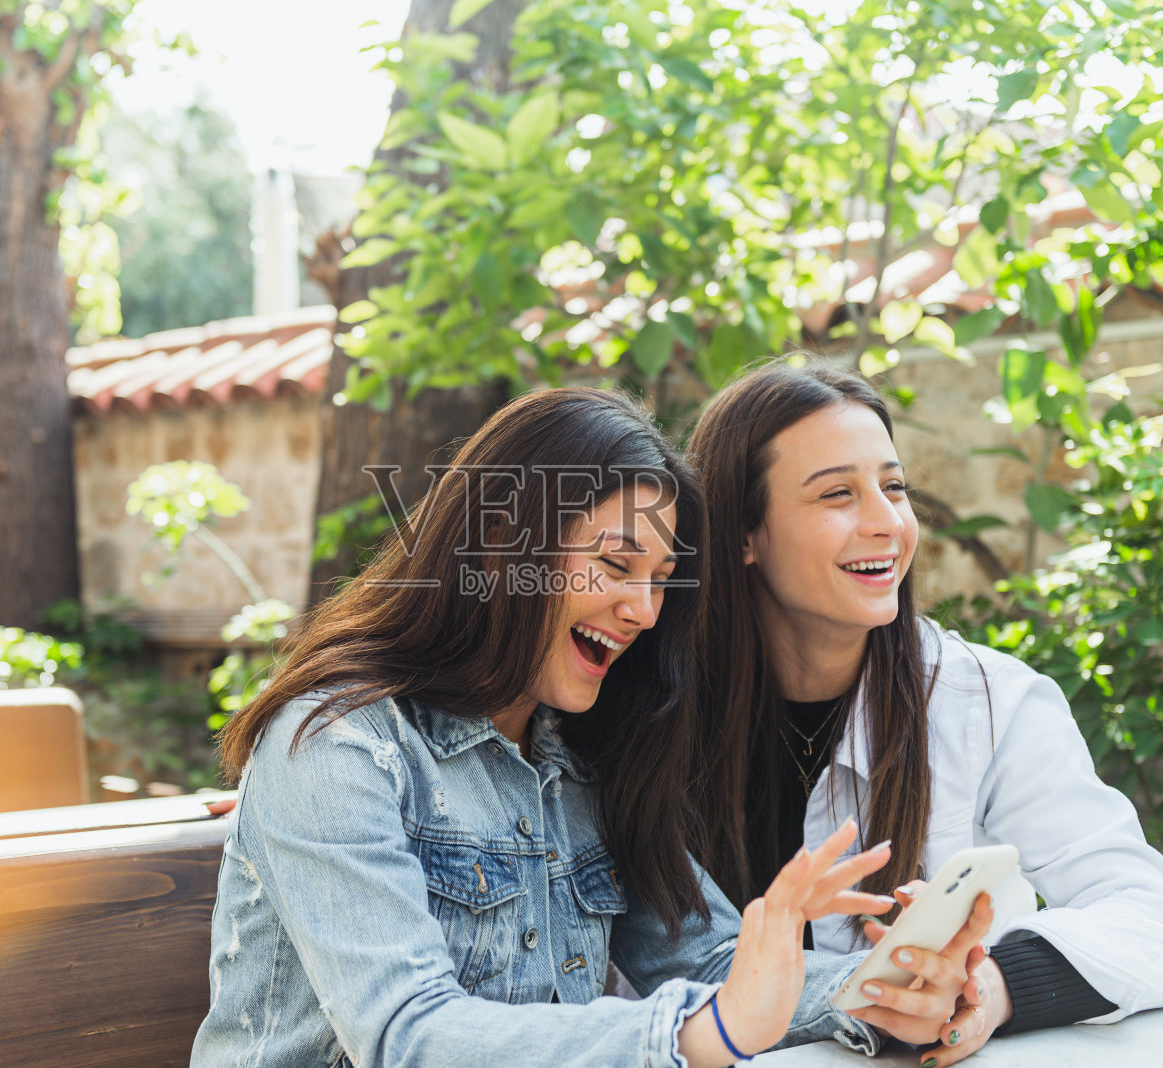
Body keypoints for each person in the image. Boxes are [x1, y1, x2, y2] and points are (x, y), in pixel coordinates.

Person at [191, 387, 987, 1067]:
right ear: (505, 546)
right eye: (615, 565)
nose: (643, 611)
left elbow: (709, 961)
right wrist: (695, 1033)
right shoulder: (339, 746)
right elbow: (410, 1035)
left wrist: (887, 984)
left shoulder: (584, 757)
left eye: (659, 581)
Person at [685, 361, 1163, 1068]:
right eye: (838, 493)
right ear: (743, 535)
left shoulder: (988, 701)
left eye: (894, 487)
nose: (886, 523)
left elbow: (1156, 924)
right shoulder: (656, 721)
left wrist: (988, 986)